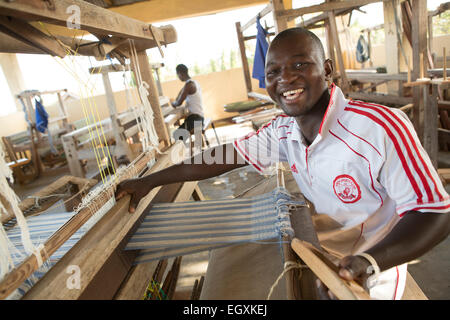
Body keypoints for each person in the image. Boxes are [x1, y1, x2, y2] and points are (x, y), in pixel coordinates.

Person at [116, 27, 450, 300]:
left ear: (328, 70)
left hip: (375, 265)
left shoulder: (378, 128)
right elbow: (220, 157)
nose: (285, 79)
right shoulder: (284, 130)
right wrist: (150, 181)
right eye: (273, 71)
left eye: (300, 65)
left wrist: (369, 262)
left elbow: (434, 212)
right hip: (323, 250)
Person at [170, 64, 205, 139]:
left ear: (180, 73)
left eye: (178, 75)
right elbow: (180, 94)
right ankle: (185, 149)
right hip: (199, 118)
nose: (178, 77)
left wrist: (172, 103)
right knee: (179, 132)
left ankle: (184, 150)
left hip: (195, 120)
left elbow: (178, 103)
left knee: (176, 135)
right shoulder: (193, 82)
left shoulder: (188, 85)